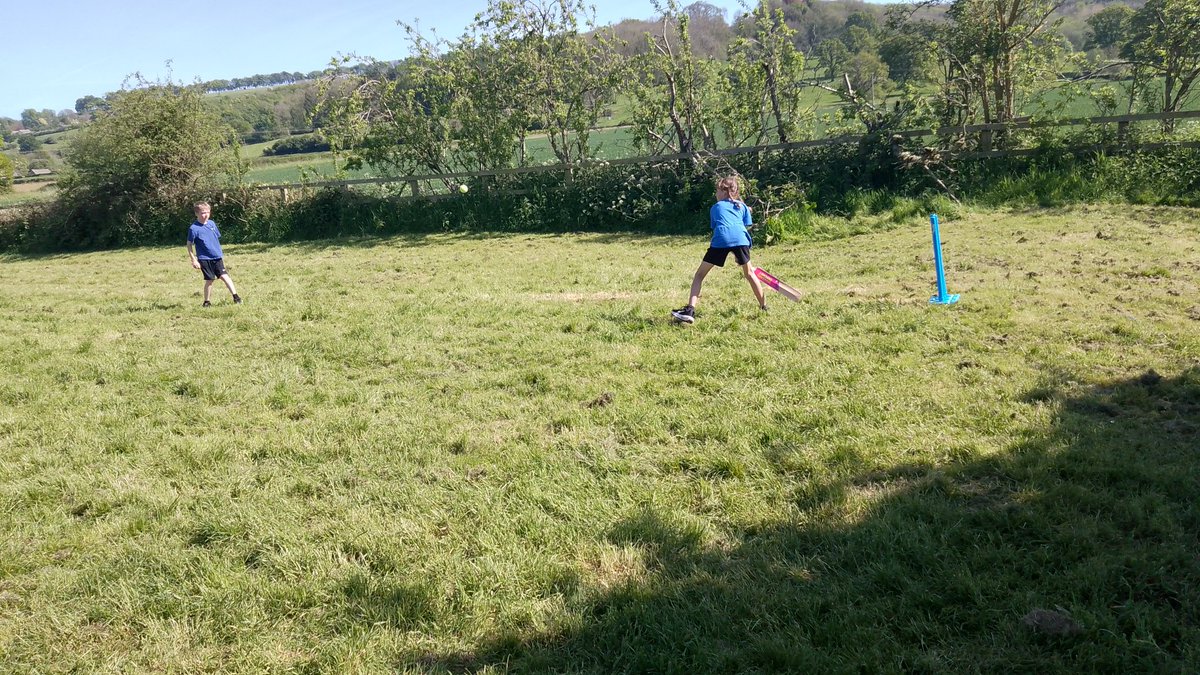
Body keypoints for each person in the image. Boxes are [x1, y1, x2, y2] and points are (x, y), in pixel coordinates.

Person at [671, 176, 766, 324]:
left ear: (723, 191)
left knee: (699, 275)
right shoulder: (743, 207)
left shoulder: (715, 208)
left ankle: (690, 310)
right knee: (749, 273)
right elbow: (742, 226)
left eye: (717, 190)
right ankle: (763, 307)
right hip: (741, 240)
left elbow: (720, 228)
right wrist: (738, 253)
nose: (715, 194)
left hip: (721, 239)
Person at [186, 201, 242, 307]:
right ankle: (206, 302)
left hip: (217, 256)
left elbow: (215, 237)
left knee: (225, 276)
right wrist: (194, 259)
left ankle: (236, 297)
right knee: (210, 280)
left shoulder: (212, 224)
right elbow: (189, 244)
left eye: (208, 212)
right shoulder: (194, 228)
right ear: (196, 213)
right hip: (204, 258)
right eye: (203, 213)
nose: (206, 215)